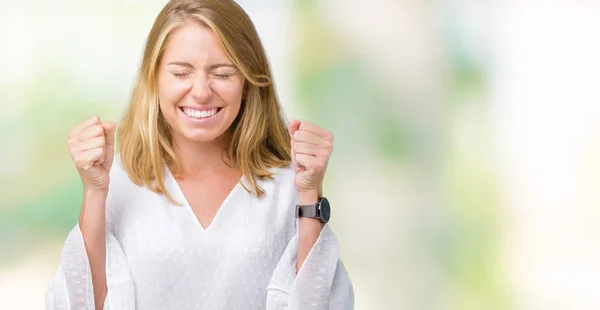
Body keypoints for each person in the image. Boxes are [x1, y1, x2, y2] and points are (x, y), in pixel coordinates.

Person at [45, 0, 354, 309]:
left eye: (222, 74)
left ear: (247, 82)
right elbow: (81, 303)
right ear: (153, 79)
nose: (202, 92)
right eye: (181, 73)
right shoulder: (119, 181)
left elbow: (322, 304)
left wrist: (311, 193)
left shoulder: (289, 185)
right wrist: (95, 191)